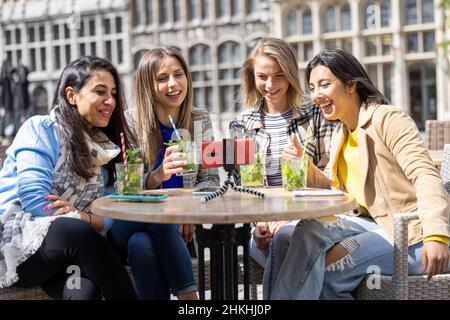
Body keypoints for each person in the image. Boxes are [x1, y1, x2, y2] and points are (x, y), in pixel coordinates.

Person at [270, 48, 450, 299]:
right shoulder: (341, 133)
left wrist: (436, 234)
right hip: (368, 222)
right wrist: (304, 165)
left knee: (329, 272)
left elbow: (425, 175)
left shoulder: (387, 119)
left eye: (324, 84)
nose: (316, 95)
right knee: (287, 236)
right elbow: (334, 191)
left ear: (351, 84)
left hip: (409, 232)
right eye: (312, 87)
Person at [0, 56, 137, 300]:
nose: (111, 101)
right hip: (18, 242)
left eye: (114, 93)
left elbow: (111, 213)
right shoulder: (41, 129)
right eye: (100, 92)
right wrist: (84, 220)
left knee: (85, 293)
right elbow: (35, 200)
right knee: (75, 231)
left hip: (69, 251)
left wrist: (86, 217)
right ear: (72, 96)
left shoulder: (105, 147)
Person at [229, 37, 337, 299]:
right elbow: (237, 187)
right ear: (251, 76)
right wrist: (258, 224)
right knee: (292, 255)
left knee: (286, 239)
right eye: (262, 76)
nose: (270, 85)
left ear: (290, 74)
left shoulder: (316, 116)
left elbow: (330, 181)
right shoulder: (241, 125)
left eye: (279, 76)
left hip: (308, 223)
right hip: (259, 227)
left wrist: (289, 218)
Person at [108, 46, 220, 300]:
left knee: (141, 245)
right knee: (159, 219)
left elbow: (211, 180)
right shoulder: (130, 124)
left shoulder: (200, 120)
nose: (173, 84)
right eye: (162, 78)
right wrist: (156, 176)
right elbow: (124, 190)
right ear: (148, 84)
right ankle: (191, 301)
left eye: (178, 74)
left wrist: (188, 209)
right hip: (132, 224)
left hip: (172, 233)